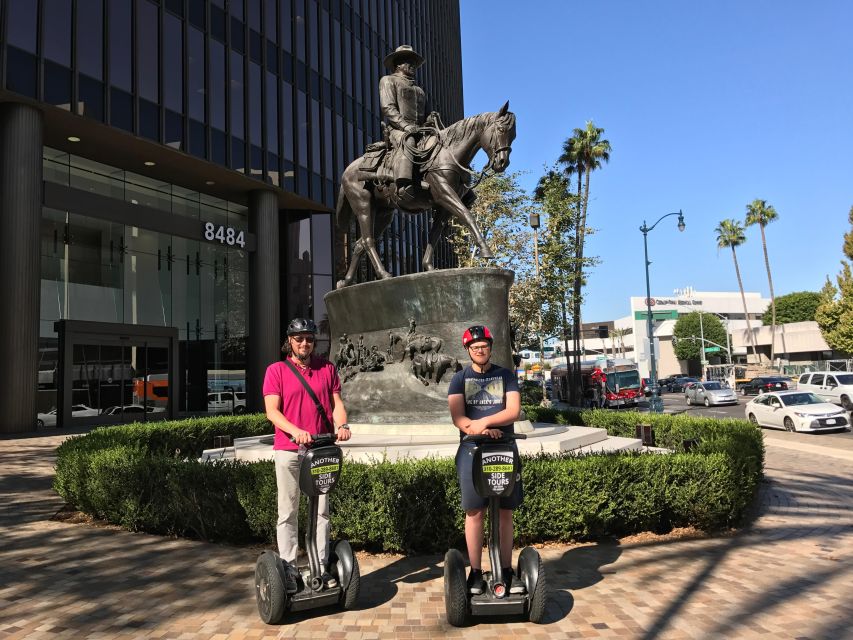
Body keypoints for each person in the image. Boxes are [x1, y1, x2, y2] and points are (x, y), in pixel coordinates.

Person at [263, 317, 352, 593]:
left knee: (322, 512)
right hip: (290, 450)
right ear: (289, 342)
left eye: (309, 339)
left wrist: (343, 425)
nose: (304, 343)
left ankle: (321, 566)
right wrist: (296, 431)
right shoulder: (276, 370)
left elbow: (337, 404)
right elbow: (272, 411)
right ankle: (289, 568)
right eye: (299, 338)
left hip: (321, 450)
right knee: (288, 511)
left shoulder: (327, 369)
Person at [447, 325, 525, 596]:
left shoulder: (506, 375)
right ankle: (476, 572)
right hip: (472, 450)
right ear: (468, 350)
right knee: (474, 512)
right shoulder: (459, 379)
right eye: (475, 347)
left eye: (484, 346)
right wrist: (477, 429)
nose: (480, 350)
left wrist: (487, 422)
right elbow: (459, 418)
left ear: (490, 348)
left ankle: (506, 570)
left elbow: (513, 410)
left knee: (505, 511)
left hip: (504, 448)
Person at [379, 45, 439, 190]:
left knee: (442, 144)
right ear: (398, 64)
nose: (413, 66)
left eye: (414, 63)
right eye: (408, 62)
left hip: (421, 130)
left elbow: (426, 114)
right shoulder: (388, 80)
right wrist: (405, 126)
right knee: (409, 142)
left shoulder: (419, 90)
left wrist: (430, 120)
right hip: (398, 129)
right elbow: (388, 107)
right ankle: (404, 183)